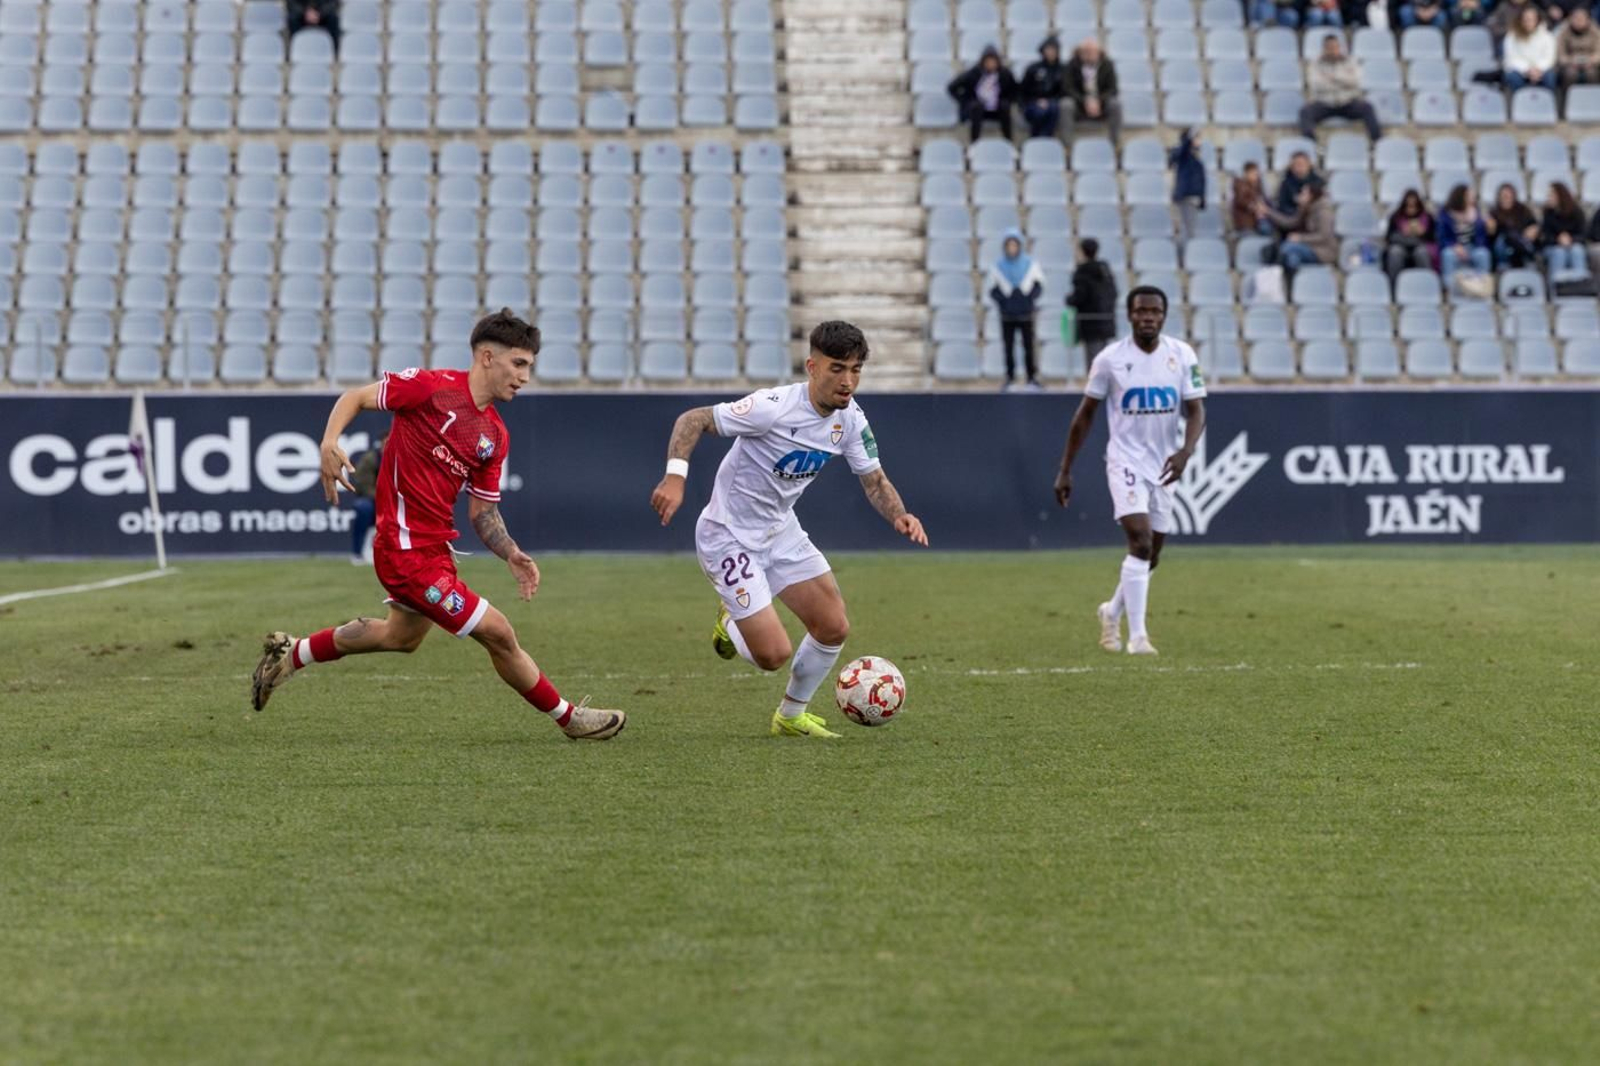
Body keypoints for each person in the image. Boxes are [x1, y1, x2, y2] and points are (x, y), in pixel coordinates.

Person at [249, 309, 626, 741]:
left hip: (435, 550)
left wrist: (511, 552)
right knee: (498, 632)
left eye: (529, 367)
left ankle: (291, 655)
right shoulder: (429, 388)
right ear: (487, 357)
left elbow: (482, 513)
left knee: (400, 637)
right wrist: (329, 442)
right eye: (518, 364)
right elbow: (355, 396)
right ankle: (569, 717)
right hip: (403, 551)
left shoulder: (495, 436)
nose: (524, 376)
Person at [648, 321, 929, 740]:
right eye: (837, 368)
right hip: (727, 536)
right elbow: (693, 420)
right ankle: (731, 623)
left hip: (780, 532)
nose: (848, 380)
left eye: (856, 370)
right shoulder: (773, 407)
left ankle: (791, 716)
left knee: (834, 625)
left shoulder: (850, 420)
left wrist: (900, 515)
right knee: (772, 655)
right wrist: (675, 477)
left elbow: (874, 481)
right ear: (812, 366)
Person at [1053, 287, 1206, 657]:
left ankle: (1112, 610)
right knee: (1139, 541)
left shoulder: (1182, 355)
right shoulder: (1110, 360)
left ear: (1164, 316)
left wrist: (1186, 452)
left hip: (1165, 465)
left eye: (1155, 311)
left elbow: (1197, 410)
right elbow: (1085, 415)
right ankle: (1137, 637)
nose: (1148, 317)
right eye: (1141, 311)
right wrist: (1065, 469)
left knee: (1151, 554)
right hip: (1125, 462)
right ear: (1130, 315)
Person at [1300, 34, 1383, 142]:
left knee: (1367, 108)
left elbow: (1355, 82)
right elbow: (1316, 85)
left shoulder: (1350, 61)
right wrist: (1344, 82)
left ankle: (1377, 141)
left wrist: (1333, 78)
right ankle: (1311, 143)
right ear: (1324, 49)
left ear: (1339, 47)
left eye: (1335, 47)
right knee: (1305, 112)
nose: (1332, 51)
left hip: (1348, 102)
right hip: (1325, 103)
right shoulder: (1316, 63)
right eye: (1329, 48)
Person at [988, 229, 1045, 388]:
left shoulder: (1030, 264)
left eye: (1014, 245)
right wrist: (1005, 303)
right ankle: (1010, 377)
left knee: (1028, 346)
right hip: (1007, 314)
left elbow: (1038, 286)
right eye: (1009, 245)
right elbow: (993, 290)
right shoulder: (998, 266)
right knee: (1008, 346)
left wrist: (1028, 300)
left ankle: (1031, 377)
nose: (1012, 248)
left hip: (1026, 313)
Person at [1265, 183, 1338, 275]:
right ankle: (1294, 283)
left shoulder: (1324, 212)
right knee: (1292, 258)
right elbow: (1289, 222)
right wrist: (1268, 212)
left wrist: (1300, 238)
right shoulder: (1306, 209)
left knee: (1289, 247)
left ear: (1311, 196)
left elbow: (1323, 236)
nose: (1300, 195)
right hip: (1308, 247)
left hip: (1322, 251)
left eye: (1303, 193)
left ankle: (1273, 262)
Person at [948, 46, 1017, 143]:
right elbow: (952, 87)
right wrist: (964, 101)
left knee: (1005, 106)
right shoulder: (973, 73)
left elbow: (1015, 90)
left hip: (997, 109)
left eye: (993, 61)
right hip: (978, 109)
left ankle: (1008, 141)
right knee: (976, 107)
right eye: (988, 61)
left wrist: (1008, 100)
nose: (991, 64)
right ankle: (974, 143)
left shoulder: (1005, 74)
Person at [1066, 238, 1119, 360]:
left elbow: (1079, 297)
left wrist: (1069, 300)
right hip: (1106, 320)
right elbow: (1114, 293)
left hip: (1090, 323)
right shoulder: (1105, 271)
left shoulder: (1082, 273)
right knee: (1103, 358)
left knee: (1094, 360)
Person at [1061, 38, 1122, 145]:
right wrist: (1085, 101)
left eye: (1092, 52)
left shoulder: (1107, 65)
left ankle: (1114, 142)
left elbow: (1113, 89)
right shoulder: (1072, 65)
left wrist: (1098, 101)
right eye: (1085, 52)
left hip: (1101, 104)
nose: (1089, 55)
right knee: (1066, 104)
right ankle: (1067, 144)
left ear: (1099, 53)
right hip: (1079, 104)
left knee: (1115, 104)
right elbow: (1068, 88)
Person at [1437, 183, 1492, 287]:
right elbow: (1442, 237)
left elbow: (1482, 237)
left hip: (1473, 247)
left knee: (1483, 254)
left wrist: (1487, 225)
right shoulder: (1445, 214)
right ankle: (1450, 287)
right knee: (1447, 254)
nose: (1472, 198)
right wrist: (1454, 246)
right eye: (1469, 196)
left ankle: (1481, 286)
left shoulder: (1477, 213)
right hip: (1453, 247)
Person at [347, 433, 384, 565]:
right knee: (363, 508)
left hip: (396, 501)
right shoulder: (370, 459)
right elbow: (362, 484)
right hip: (374, 500)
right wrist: (384, 498)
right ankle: (357, 553)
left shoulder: (402, 457)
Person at [1019, 36, 1066, 139]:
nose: (1051, 52)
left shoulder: (1062, 69)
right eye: (1048, 49)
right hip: (1032, 103)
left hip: (1052, 103)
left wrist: (1049, 101)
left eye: (1053, 49)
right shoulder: (1033, 68)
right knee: (1040, 112)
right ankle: (1035, 138)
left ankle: (1046, 138)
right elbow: (1023, 90)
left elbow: (1063, 91)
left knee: (1053, 109)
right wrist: (1035, 101)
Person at [1384, 189, 1437, 280]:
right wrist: (1403, 233)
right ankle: (1393, 286)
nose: (1411, 209)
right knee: (1395, 252)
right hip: (1401, 245)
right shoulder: (1396, 217)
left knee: (1422, 253)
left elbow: (1433, 237)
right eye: (1408, 206)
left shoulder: (1428, 217)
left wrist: (1423, 233)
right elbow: (1389, 237)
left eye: (1414, 206)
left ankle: (1428, 283)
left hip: (1420, 245)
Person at [1504, 5, 1558, 91]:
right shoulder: (1511, 36)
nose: (1528, 22)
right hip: (1520, 71)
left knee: (1550, 77)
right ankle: (1520, 102)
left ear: (1538, 20)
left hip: (1541, 71)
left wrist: (1538, 69)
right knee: (1512, 77)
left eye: (1531, 19)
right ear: (1520, 20)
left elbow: (1549, 58)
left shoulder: (1547, 36)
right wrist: (1527, 70)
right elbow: (1511, 58)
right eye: (1525, 19)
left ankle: (1547, 103)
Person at [1539, 181, 1588, 276]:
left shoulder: (1577, 212)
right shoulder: (1548, 213)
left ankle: (1580, 284)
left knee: (1577, 251)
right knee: (1559, 252)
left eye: (1551, 195)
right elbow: (1545, 236)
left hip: (1574, 245)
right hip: (1553, 246)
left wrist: (1571, 240)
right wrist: (1558, 240)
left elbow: (1583, 235)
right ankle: (1556, 287)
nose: (1548, 198)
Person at [1488, 182, 1540, 269]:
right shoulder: (1494, 212)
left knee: (1521, 239)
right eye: (1504, 196)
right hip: (1504, 247)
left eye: (1508, 195)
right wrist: (1491, 229)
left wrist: (1533, 229)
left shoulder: (1523, 210)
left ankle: (1524, 254)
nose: (1506, 198)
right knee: (1504, 239)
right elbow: (1492, 236)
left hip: (1522, 239)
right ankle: (1524, 253)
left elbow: (1533, 224)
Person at [1169, 128, 1207, 243]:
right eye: (1197, 138)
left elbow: (1201, 180)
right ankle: (1183, 256)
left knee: (1190, 230)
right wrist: (1188, 139)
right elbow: (1178, 154)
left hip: (1194, 198)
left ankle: (1186, 254)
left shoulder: (1196, 159)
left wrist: (1202, 198)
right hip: (1185, 196)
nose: (1199, 141)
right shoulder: (1183, 155)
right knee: (1187, 231)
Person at [1229, 161, 1275, 236]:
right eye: (1253, 173)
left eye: (1257, 173)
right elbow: (1241, 201)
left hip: (1260, 219)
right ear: (1246, 173)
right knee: (1266, 230)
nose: (1256, 175)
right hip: (1246, 222)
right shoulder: (1240, 185)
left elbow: (1265, 200)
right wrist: (1257, 207)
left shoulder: (1259, 184)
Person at [1273, 151, 1324, 218]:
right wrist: (1298, 210)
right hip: (1292, 220)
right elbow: (1282, 206)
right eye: (1296, 165)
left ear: (1309, 165)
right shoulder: (1286, 184)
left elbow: (1322, 204)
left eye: (1302, 164)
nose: (1299, 168)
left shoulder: (1318, 182)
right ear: (1291, 167)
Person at [1558, 7, 1600, 87]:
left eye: (1581, 19)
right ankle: (1567, 98)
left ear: (1588, 20)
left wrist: (1591, 60)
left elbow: (1599, 52)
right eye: (1576, 19)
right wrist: (1570, 61)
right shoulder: (1564, 32)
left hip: (1591, 63)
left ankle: (1594, 98)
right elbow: (1561, 54)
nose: (1578, 22)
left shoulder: (1595, 32)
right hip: (1570, 63)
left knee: (1592, 74)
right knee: (1570, 74)